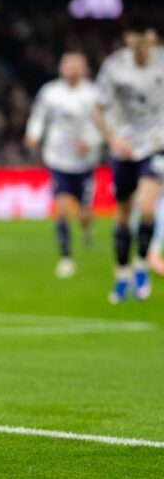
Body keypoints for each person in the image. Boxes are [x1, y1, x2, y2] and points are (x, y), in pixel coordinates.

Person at [93, 25, 164, 303]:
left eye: (147, 42)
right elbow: (97, 108)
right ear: (127, 40)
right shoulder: (114, 67)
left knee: (146, 206)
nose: (143, 48)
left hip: (156, 144)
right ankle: (123, 274)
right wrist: (111, 138)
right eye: (137, 43)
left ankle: (141, 265)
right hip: (125, 145)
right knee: (122, 212)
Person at [24, 52, 102, 278]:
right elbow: (39, 116)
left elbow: (104, 124)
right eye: (68, 64)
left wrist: (91, 141)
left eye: (77, 65)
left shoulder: (93, 94)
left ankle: (87, 228)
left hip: (84, 163)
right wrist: (33, 134)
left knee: (84, 213)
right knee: (61, 210)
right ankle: (66, 258)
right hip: (58, 159)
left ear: (84, 68)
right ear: (61, 67)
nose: (72, 69)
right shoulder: (50, 92)